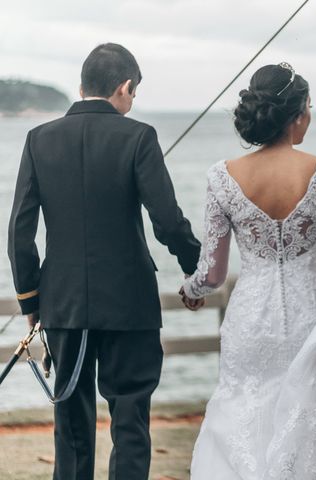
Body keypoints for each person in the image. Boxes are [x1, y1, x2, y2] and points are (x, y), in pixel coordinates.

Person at [8, 43, 201, 480]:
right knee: (130, 419)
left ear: (81, 86)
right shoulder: (139, 136)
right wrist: (196, 268)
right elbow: (167, 222)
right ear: (126, 87)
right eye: (135, 93)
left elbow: (20, 233)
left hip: (63, 304)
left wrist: (31, 301)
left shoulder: (38, 139)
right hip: (130, 305)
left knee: (71, 425)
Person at [182, 63, 316, 479]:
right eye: (309, 107)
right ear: (297, 115)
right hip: (309, 319)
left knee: (242, 418)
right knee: (308, 425)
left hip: (249, 322)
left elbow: (213, 274)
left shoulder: (222, 177)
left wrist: (190, 290)